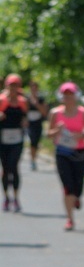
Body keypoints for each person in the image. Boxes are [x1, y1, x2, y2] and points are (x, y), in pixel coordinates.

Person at [47, 82, 84, 230]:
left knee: (78, 185)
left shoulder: (83, 113)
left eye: (71, 95)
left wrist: (82, 135)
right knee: (67, 185)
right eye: (65, 95)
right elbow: (49, 134)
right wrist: (57, 130)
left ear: (76, 96)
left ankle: (77, 197)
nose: (68, 98)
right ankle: (70, 219)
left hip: (79, 152)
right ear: (61, 97)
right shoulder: (55, 113)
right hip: (62, 152)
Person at [0, 74, 29, 212]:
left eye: (15, 85)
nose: (13, 88)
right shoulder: (1, 100)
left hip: (17, 139)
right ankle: (6, 197)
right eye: (11, 85)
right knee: (5, 168)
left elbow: (26, 117)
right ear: (7, 86)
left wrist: (25, 122)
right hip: (3, 139)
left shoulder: (22, 101)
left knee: (14, 166)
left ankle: (16, 198)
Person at [25, 80, 49, 171]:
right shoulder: (26, 99)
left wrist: (36, 103)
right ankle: (32, 160)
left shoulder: (41, 99)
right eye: (32, 88)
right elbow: (24, 111)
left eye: (35, 88)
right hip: (29, 124)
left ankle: (34, 157)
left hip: (38, 123)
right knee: (32, 140)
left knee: (36, 142)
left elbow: (44, 112)